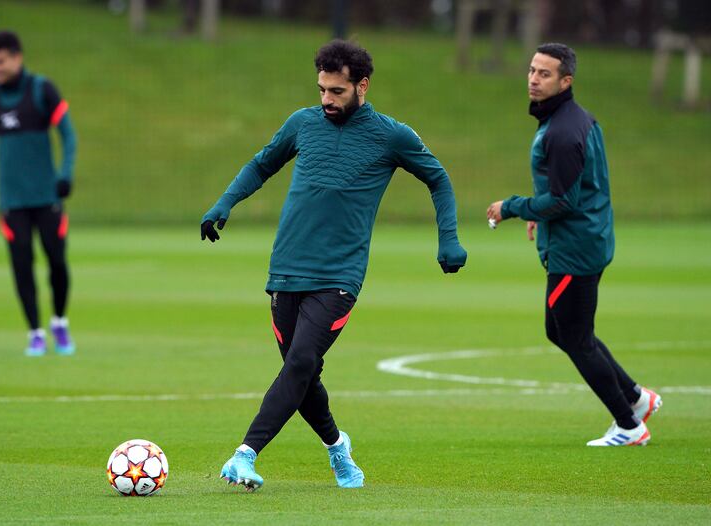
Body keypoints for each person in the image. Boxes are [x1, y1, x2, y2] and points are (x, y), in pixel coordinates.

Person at [201, 40, 467, 490]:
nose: (326, 99)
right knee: (301, 373)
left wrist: (449, 238)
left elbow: (438, 178)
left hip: (339, 276)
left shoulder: (392, 135)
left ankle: (244, 454)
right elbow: (261, 164)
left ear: (362, 86)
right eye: (322, 88)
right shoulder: (302, 123)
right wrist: (224, 203)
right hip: (286, 269)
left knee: (301, 361)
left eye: (337, 91)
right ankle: (338, 447)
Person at [486, 43, 661, 447]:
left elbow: (564, 200)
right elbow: (570, 189)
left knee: (575, 337)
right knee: (561, 329)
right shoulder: (574, 119)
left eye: (544, 74)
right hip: (586, 239)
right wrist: (537, 213)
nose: (533, 78)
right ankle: (636, 398)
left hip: (575, 250)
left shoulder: (563, 131)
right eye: (532, 70)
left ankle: (629, 425)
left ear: (566, 81)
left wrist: (512, 207)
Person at [0, 31, 77, 357]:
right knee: (21, 264)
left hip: (47, 197)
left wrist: (65, 174)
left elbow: (69, 135)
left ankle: (59, 321)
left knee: (57, 261)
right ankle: (35, 332)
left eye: (0, 61)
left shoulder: (42, 90)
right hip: (12, 201)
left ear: (17, 57)